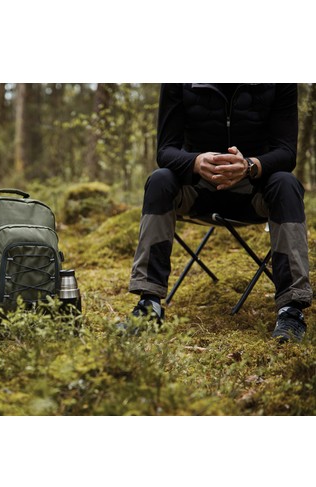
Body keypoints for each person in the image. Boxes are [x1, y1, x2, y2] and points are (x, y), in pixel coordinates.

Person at [129, 83, 312, 342]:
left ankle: (291, 310)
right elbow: (165, 150)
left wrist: (249, 166)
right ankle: (149, 305)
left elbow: (286, 152)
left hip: (255, 193)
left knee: (287, 183)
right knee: (160, 180)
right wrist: (195, 162)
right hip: (197, 192)